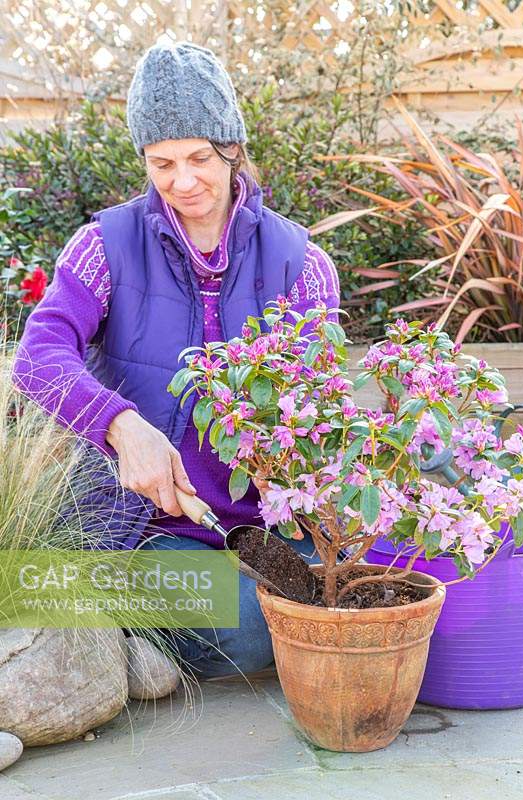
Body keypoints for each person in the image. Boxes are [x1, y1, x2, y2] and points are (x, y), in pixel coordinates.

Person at [12, 42, 341, 678]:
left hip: (259, 524)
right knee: (251, 631)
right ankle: (105, 612)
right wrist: (119, 424)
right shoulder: (104, 245)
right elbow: (38, 356)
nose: (183, 181)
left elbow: (320, 395)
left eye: (200, 158)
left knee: (344, 587)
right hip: (144, 528)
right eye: (162, 162)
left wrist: (298, 465)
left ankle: (106, 616)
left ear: (233, 149)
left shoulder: (302, 263)